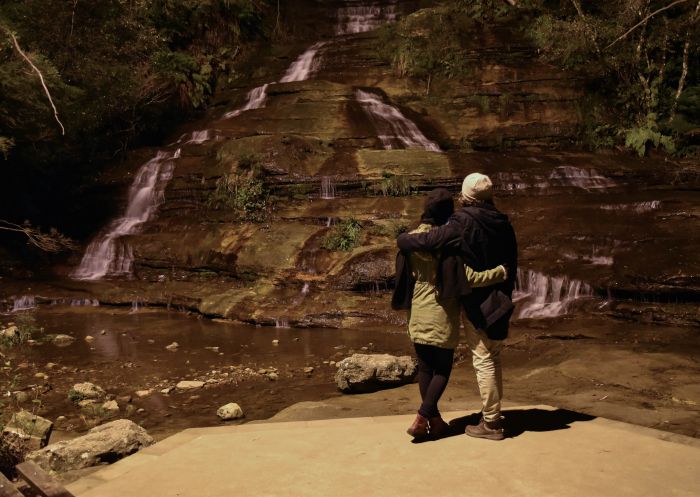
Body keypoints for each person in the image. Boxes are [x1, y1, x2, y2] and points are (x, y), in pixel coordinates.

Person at [397, 174, 518, 441]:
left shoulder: (461, 223)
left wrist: (403, 240)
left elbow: (430, 244)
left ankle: (490, 422)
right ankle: (483, 416)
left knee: (479, 361)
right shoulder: (503, 222)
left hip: (468, 304)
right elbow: (511, 262)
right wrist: (502, 277)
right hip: (499, 300)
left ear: (466, 196)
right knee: (490, 358)